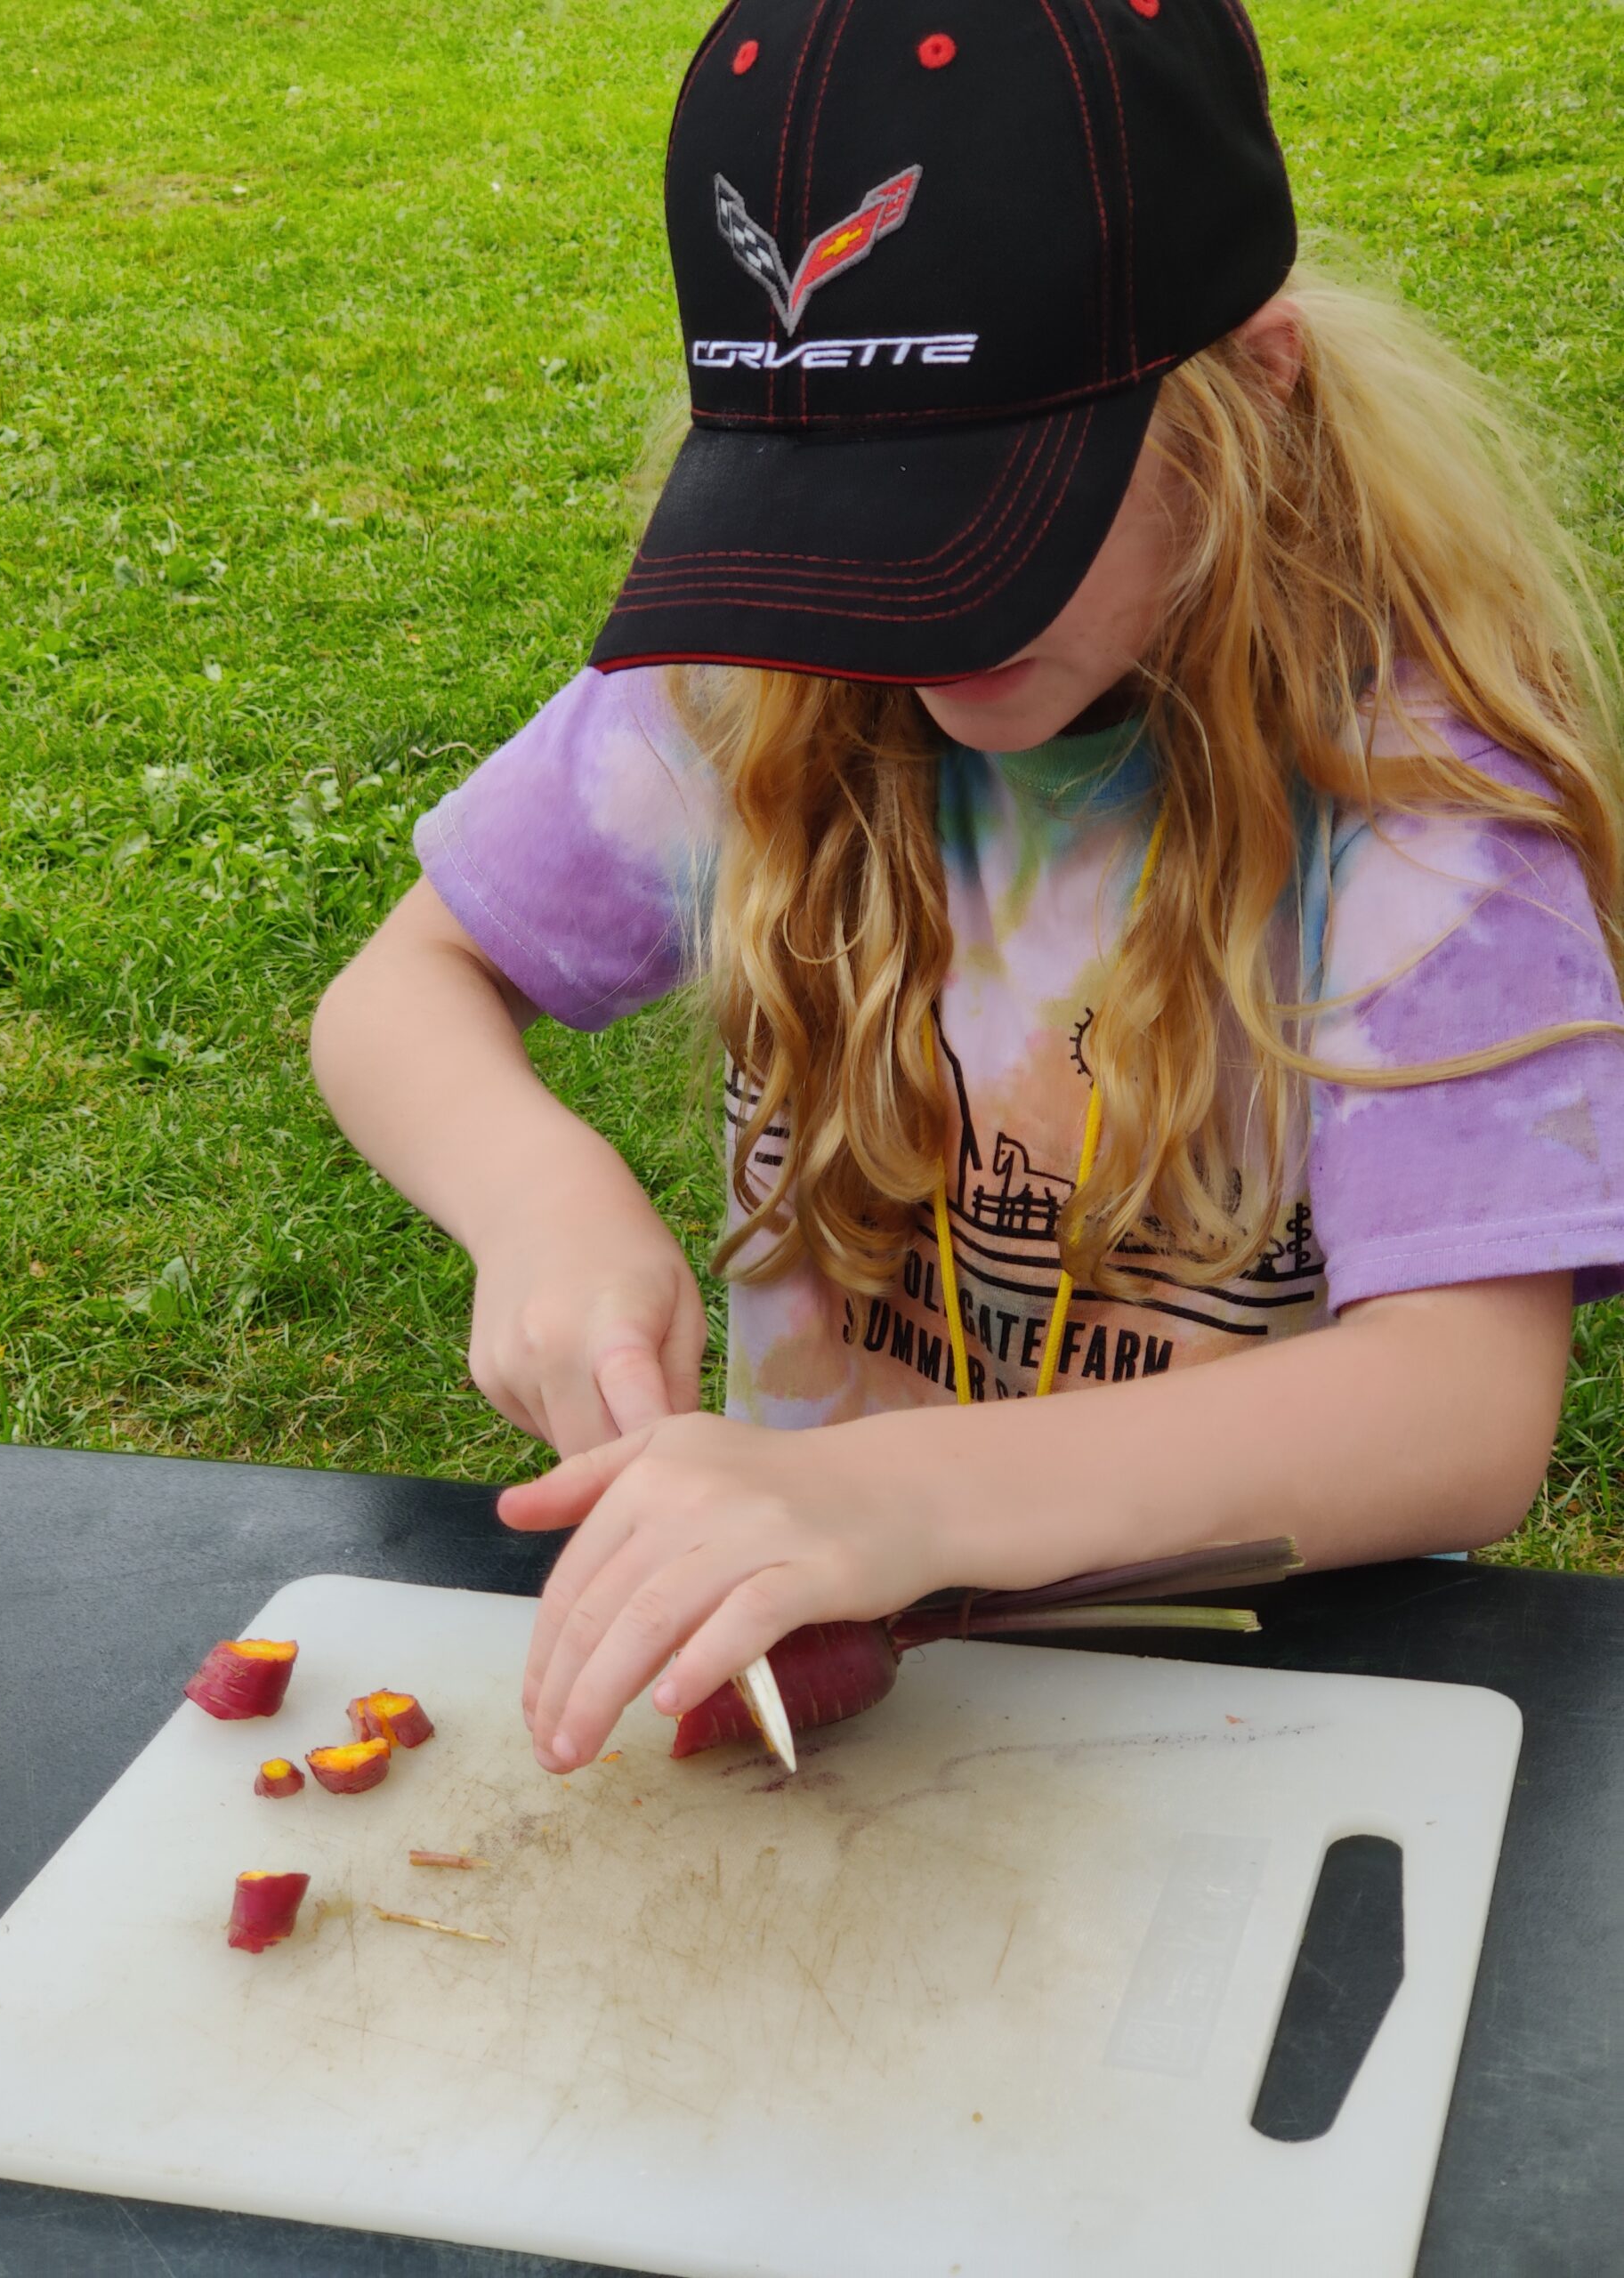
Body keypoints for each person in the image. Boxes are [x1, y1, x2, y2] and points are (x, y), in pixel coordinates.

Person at [311, 0, 1624, 1775]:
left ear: (1254, 380)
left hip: (1245, 1719)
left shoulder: (1421, 804)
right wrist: (541, 1204)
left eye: (975, 509)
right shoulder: (763, 685)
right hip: (836, 1717)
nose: (902, 619)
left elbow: (1464, 1406)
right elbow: (406, 989)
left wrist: (886, 1495)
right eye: (846, 524)